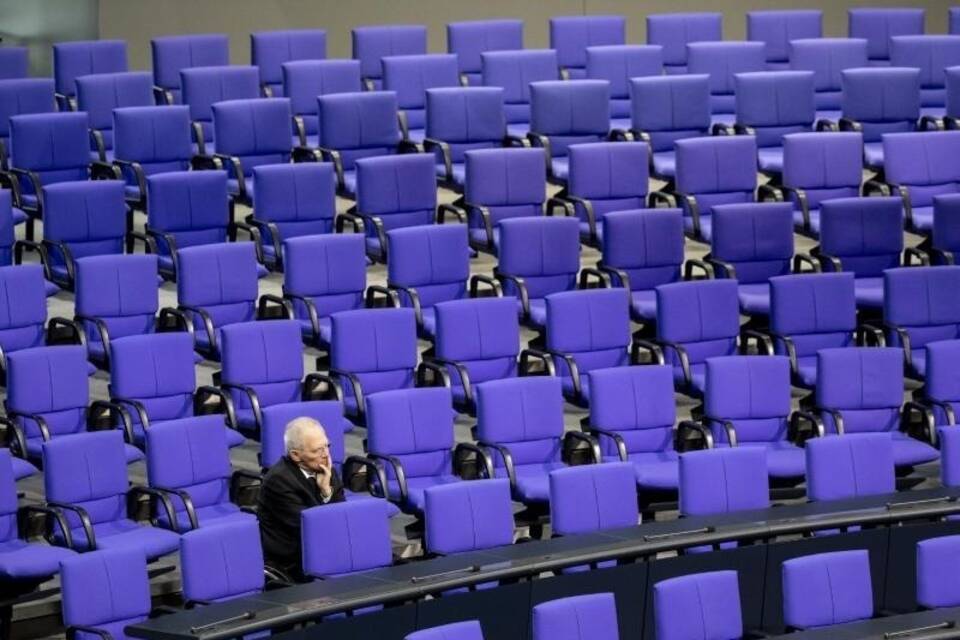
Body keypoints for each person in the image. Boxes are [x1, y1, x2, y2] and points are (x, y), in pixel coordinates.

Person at [258, 417, 345, 580]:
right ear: (296, 455)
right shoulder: (278, 481)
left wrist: (326, 491)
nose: (326, 454)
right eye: (317, 450)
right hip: (294, 559)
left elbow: (340, 514)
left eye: (327, 446)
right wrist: (326, 496)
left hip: (324, 547)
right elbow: (311, 528)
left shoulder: (326, 469)